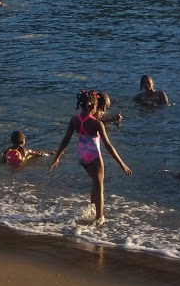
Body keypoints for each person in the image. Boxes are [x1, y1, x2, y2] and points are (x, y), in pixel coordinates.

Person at [49, 89, 132, 223]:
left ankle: (92, 210)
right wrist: (122, 164)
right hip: (94, 156)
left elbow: (66, 140)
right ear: (93, 106)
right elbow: (108, 146)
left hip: (82, 156)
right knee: (100, 186)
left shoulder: (74, 120)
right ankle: (100, 217)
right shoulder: (96, 124)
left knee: (95, 182)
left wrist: (56, 157)